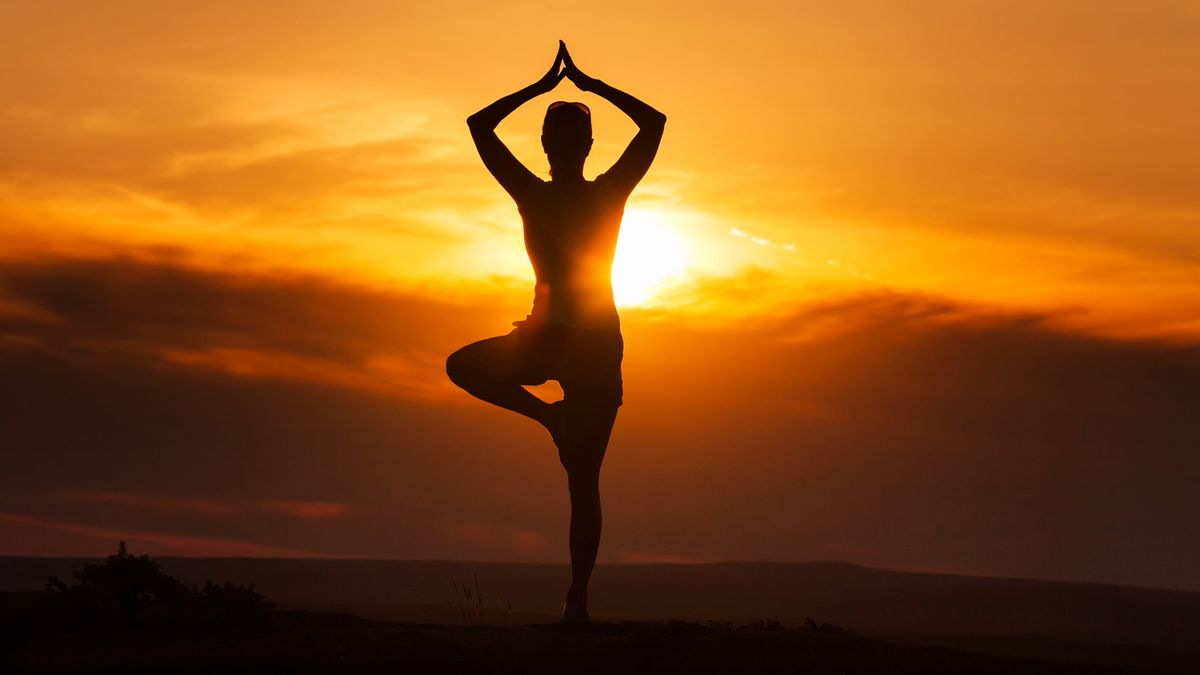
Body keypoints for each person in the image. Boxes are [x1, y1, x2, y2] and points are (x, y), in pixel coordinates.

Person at [445, 41, 666, 623]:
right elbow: (654, 124)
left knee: (466, 369)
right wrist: (588, 86)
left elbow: (479, 125)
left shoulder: (543, 193)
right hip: (578, 342)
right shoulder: (594, 193)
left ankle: (577, 598)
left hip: (564, 341)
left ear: (552, 145)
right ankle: (578, 600)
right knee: (584, 481)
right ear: (580, 146)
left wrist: (546, 88)